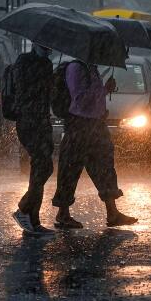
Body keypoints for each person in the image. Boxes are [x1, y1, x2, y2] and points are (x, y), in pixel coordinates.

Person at [52, 61, 138, 228]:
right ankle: (63, 213)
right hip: (80, 125)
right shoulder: (76, 69)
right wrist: (103, 90)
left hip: (96, 125)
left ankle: (112, 212)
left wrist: (106, 90)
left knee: (105, 167)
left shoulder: (92, 69)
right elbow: (80, 99)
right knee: (70, 169)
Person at [11, 44, 56, 236]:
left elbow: (48, 95)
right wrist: (45, 81)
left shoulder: (46, 64)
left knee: (41, 168)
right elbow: (24, 90)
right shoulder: (24, 61)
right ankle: (23, 209)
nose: (48, 50)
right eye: (44, 46)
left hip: (43, 120)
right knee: (43, 166)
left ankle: (33, 219)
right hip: (28, 121)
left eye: (49, 47)